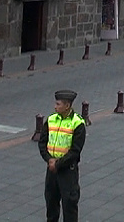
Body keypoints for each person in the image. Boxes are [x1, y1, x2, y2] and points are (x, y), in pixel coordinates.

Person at [38, 89, 86, 222]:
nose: (55, 106)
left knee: (69, 205)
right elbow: (42, 143)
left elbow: (75, 151)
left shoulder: (78, 123)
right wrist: (49, 160)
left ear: (67, 105)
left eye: (58, 104)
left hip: (67, 171)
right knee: (51, 203)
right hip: (52, 169)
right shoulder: (51, 120)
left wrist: (57, 164)